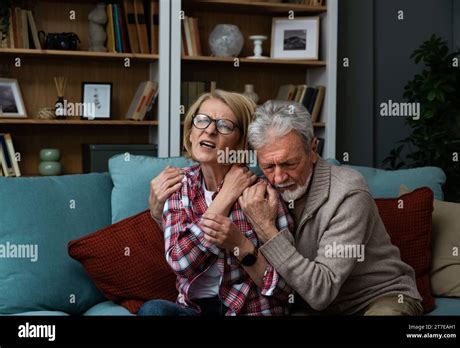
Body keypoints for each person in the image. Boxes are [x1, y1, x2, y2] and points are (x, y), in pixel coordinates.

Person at [238, 100, 423, 316]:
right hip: (309, 306)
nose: (278, 178)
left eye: (290, 164)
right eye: (269, 166)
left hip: (376, 297)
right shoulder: (258, 190)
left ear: (313, 149)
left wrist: (266, 228)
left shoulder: (348, 192)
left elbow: (321, 291)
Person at [140, 90, 293, 316]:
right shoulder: (179, 186)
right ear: (191, 133)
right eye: (202, 120)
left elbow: (285, 288)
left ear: (242, 143)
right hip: (194, 310)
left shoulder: (262, 194)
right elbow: (180, 263)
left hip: (248, 310)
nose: (210, 130)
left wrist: (240, 245)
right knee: (153, 311)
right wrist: (225, 197)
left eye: (224, 125)